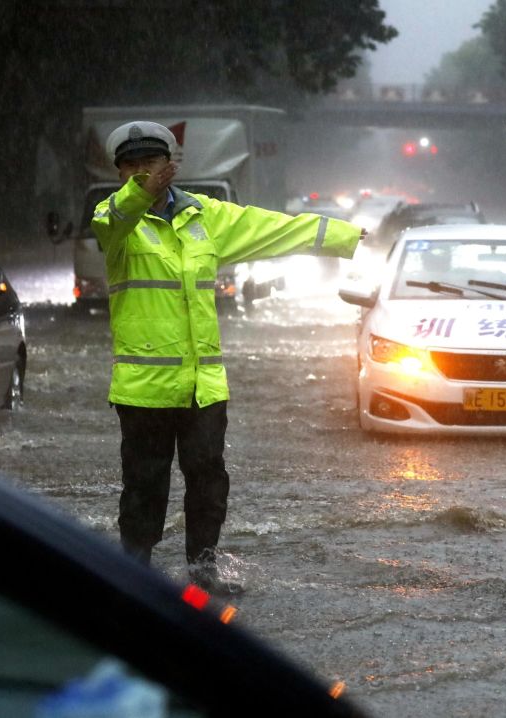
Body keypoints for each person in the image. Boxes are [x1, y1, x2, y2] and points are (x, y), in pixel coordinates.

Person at [92, 121, 364, 594]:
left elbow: (274, 228)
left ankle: (203, 572)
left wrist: (347, 236)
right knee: (143, 488)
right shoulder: (115, 222)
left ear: (170, 166)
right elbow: (114, 220)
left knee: (209, 480)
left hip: (203, 387)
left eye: (149, 164)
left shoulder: (205, 218)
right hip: (143, 391)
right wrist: (140, 194)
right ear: (118, 174)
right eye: (129, 167)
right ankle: (134, 574)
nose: (140, 174)